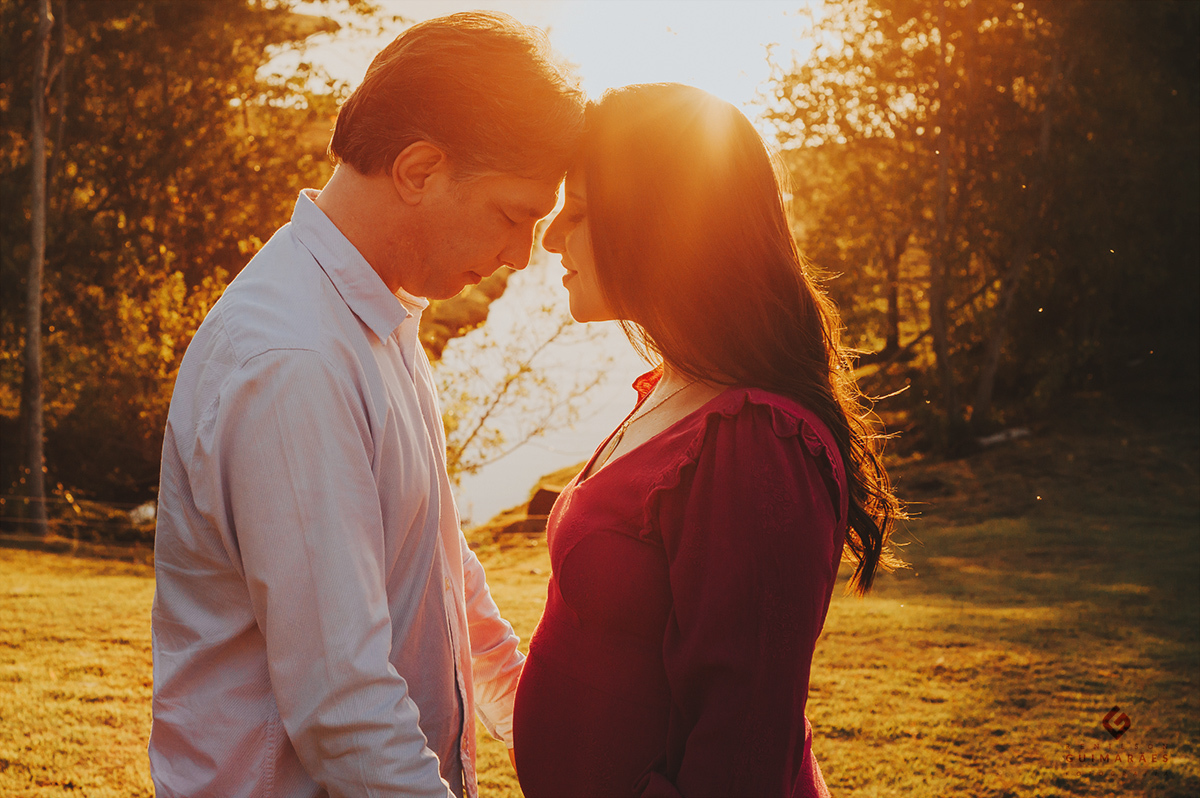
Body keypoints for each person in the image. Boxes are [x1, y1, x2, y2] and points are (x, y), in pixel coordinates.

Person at [148, 12, 584, 797]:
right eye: (514, 214)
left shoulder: (372, 314)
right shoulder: (296, 359)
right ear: (419, 170)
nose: (522, 256)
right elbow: (342, 707)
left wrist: (540, 723)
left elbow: (434, 554)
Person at [512, 83, 904, 798]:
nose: (550, 235)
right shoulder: (671, 388)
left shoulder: (753, 442)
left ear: (660, 223)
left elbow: (744, 737)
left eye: (580, 211)